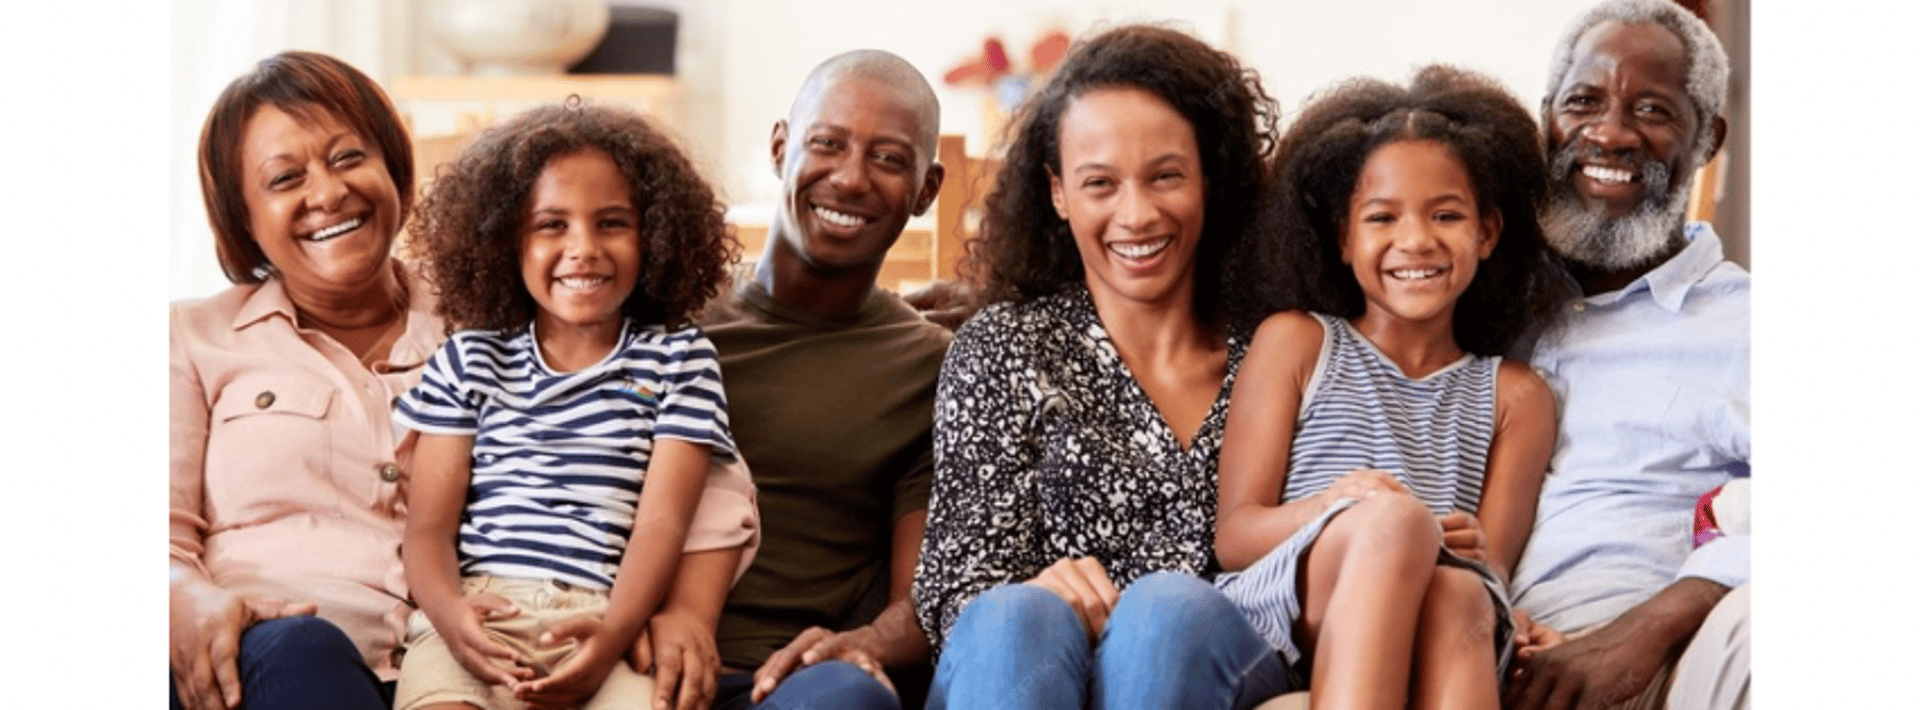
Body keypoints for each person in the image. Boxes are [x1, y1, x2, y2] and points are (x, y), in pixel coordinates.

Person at [912, 24, 1290, 709]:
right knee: (1011, 614)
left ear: (1211, 176)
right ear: (1058, 193)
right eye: (1100, 184)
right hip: (1023, 669)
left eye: (1165, 176)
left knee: (1169, 610)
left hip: (1215, 663)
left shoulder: (1283, 351)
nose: (1136, 214)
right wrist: (1039, 591)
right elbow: (954, 587)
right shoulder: (1004, 346)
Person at [1212, 65, 1567, 710]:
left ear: (1486, 233)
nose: (1415, 240)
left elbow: (1491, 574)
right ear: (1345, 239)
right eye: (1382, 217)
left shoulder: (1518, 396)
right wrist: (1341, 506)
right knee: (1395, 523)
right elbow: (1236, 535)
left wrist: (1480, 562)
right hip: (1297, 604)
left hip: (1437, 609)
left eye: (1446, 214)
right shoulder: (1296, 342)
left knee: (1461, 590)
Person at [390, 100, 749, 710]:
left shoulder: (679, 361)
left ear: (656, 236)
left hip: (604, 616)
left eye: (612, 223)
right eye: (551, 225)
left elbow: (661, 525)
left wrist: (612, 635)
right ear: (506, 242)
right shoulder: (467, 361)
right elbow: (427, 529)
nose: (583, 248)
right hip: (475, 614)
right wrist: (451, 617)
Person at [647, 49, 953, 710]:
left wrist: (863, 644)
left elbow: (922, 600)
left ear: (927, 190)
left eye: (889, 158)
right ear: (782, 148)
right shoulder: (662, 319)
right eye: (827, 144)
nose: (849, 179)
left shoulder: (930, 366)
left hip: (784, 683)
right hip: (632, 659)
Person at [168, 50, 447, 710]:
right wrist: (184, 595)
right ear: (244, 219)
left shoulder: (490, 323)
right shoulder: (189, 338)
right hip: (270, 664)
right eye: (285, 178)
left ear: (393, 168)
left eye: (349, 157)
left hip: (459, 662)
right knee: (305, 651)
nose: (327, 193)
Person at [1502, 1, 1750, 709]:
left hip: (1659, 666)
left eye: (1651, 110)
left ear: (1707, 139)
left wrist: (1653, 623)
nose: (1609, 134)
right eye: (1583, 102)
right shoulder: (1477, 300)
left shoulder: (1749, 324)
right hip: (1463, 649)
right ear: (1546, 118)